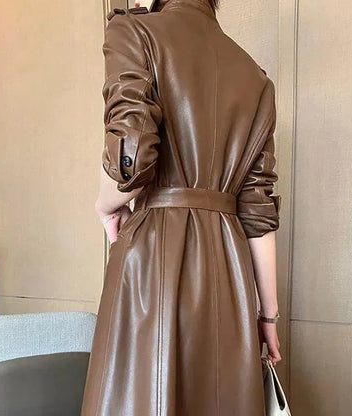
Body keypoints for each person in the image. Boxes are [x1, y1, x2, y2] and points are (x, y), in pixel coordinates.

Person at [81, 0, 282, 414]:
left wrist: (105, 206)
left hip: (152, 260)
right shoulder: (257, 80)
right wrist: (268, 316)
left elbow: (131, 155)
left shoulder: (135, 31)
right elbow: (258, 213)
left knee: (141, 397)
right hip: (229, 272)